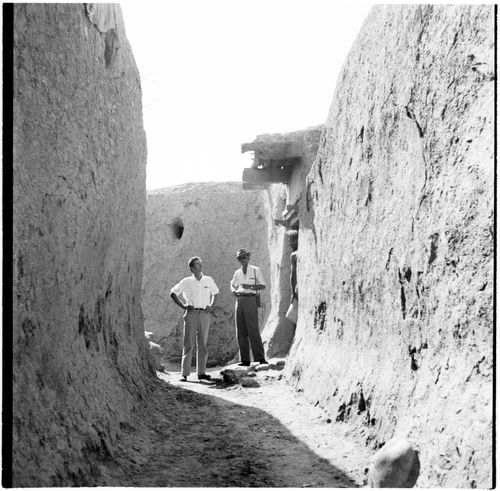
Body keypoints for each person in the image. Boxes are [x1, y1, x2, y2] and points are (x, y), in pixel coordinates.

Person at [170, 256, 219, 381]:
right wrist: (183, 306)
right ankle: (185, 374)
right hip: (191, 313)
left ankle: (201, 373)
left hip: (204, 314)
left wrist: (211, 305)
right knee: (189, 344)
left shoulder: (208, 280)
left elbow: (215, 293)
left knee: (203, 344)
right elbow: (173, 293)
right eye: (197, 264)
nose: (200, 265)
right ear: (192, 268)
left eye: (200, 263)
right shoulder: (186, 281)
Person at [230, 248, 267, 366]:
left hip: (250, 299)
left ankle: (260, 358)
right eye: (240, 258)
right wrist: (233, 291)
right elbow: (232, 284)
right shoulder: (237, 272)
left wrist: (249, 287)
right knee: (240, 330)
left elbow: (263, 286)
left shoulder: (256, 270)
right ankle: (244, 359)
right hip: (239, 300)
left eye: (244, 257)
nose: (242, 260)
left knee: (253, 329)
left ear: (248, 258)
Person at [286, 230, 299, 324]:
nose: (289, 243)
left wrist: (293, 293)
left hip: (298, 289)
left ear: (296, 240)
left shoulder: (293, 255)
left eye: (290, 241)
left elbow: (293, 276)